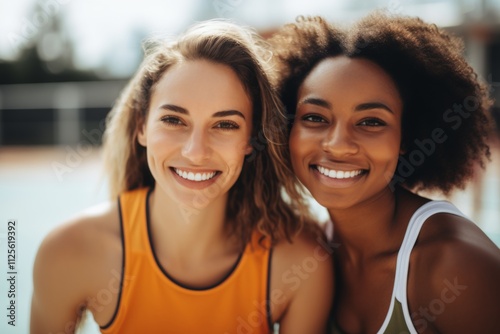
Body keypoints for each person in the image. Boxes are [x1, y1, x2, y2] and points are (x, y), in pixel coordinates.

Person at [30, 20, 333, 334]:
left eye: (225, 124)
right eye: (174, 120)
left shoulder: (301, 262)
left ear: (251, 139)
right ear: (141, 126)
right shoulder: (69, 252)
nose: (196, 152)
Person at [270, 12, 500, 334]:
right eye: (315, 118)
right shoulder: (312, 253)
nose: (337, 145)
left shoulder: (454, 266)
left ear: (407, 137)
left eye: (371, 122)